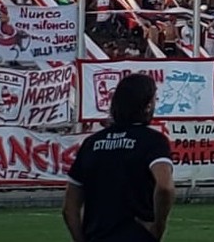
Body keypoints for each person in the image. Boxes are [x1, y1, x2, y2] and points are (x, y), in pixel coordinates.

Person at [63, 74, 175, 242]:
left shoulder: (91, 144)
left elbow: (69, 208)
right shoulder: (153, 141)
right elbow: (165, 187)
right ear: (147, 105)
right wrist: (158, 226)